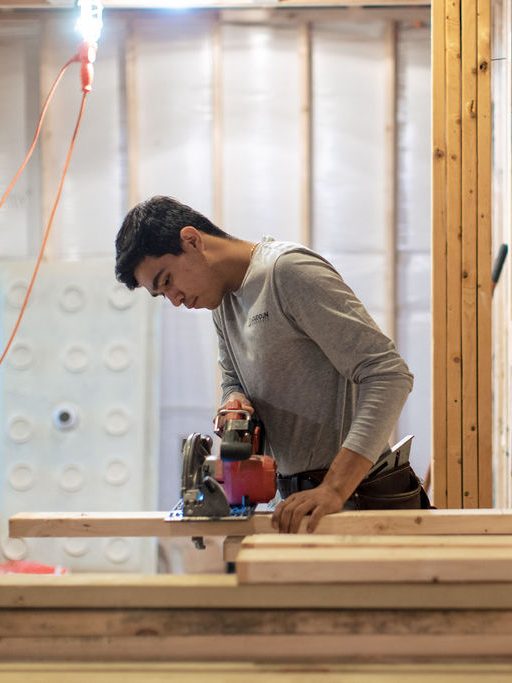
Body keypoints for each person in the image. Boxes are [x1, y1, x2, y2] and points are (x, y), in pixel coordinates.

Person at [115, 195, 427, 534]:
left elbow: (387, 373)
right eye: (162, 294)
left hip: (359, 500)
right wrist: (234, 402)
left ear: (191, 241)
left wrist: (336, 487)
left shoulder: (287, 273)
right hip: (300, 501)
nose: (174, 299)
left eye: (167, 281)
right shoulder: (222, 303)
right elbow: (234, 378)